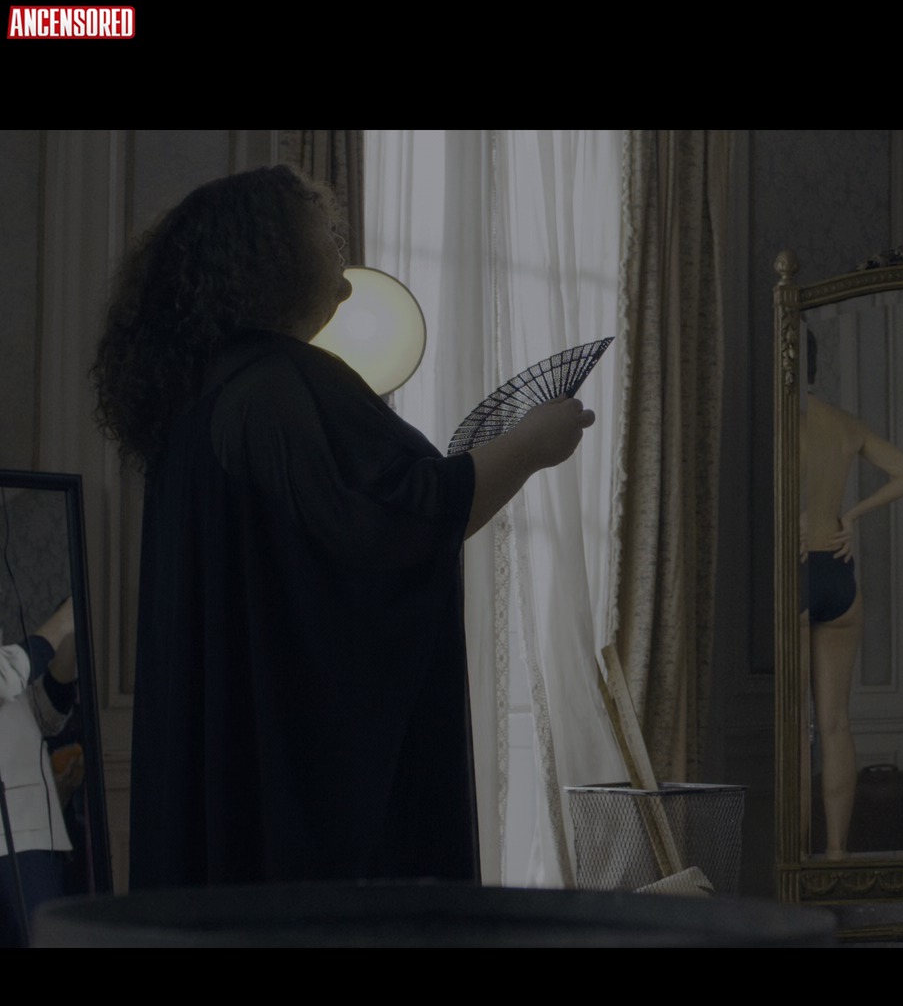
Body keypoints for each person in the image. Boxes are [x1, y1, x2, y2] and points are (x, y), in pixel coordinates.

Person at [92, 165, 593, 888]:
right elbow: (400, 518)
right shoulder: (279, 383)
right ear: (272, 256)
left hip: (226, 784)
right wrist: (530, 446)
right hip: (295, 818)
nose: (345, 269)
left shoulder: (206, 396)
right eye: (326, 235)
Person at [799, 334, 903, 859]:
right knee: (835, 723)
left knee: (794, 725)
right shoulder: (843, 423)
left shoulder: (780, 421)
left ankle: (794, 854)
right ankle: (836, 855)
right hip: (838, 573)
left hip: (798, 569)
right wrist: (850, 515)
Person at [0, 598, 77, 945]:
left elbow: (46, 715)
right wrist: (60, 623)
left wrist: (70, 638)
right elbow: (6, 678)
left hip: (32, 835)